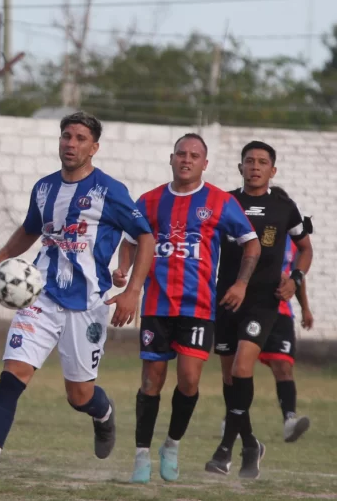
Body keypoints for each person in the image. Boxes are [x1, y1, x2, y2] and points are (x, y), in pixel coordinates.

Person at [0, 112, 155, 494]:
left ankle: (103, 412)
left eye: (80, 138)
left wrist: (133, 291)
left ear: (94, 147)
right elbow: (30, 229)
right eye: (66, 136)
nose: (71, 143)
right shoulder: (45, 188)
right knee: (13, 376)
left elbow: (145, 236)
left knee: (79, 395)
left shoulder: (109, 191)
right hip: (41, 298)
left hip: (88, 305)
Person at [113, 133, 260, 484]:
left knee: (190, 380)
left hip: (199, 307)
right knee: (151, 380)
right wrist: (123, 270)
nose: (186, 160)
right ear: (172, 158)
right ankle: (141, 455)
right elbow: (130, 241)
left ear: (204, 164)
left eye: (194, 155)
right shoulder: (150, 201)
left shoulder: (220, 201)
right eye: (181, 153)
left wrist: (241, 283)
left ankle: (172, 445)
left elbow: (252, 244)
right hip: (157, 305)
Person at [206, 141, 313, 479]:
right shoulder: (223, 202)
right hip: (226, 298)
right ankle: (251, 444)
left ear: (272, 170)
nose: (255, 167)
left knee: (242, 367)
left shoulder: (285, 207)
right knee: (229, 378)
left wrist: (295, 279)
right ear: (240, 167)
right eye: (249, 161)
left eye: (262, 162)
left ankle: (225, 449)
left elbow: (305, 249)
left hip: (264, 302)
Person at [219, 190, 314, 443]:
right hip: (246, 305)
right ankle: (233, 419)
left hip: (279, 310)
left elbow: (297, 275)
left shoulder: (293, 240)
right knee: (237, 368)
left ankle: (289, 420)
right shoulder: (247, 235)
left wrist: (305, 308)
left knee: (283, 366)